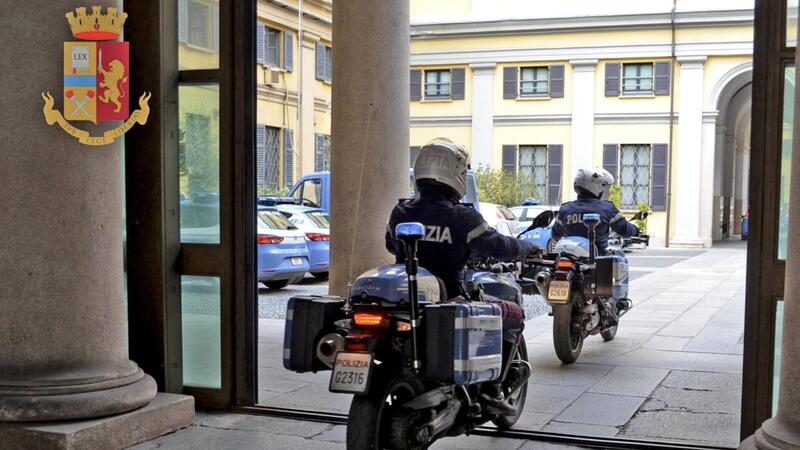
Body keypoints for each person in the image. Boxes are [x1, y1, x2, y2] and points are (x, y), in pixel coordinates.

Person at [385, 138, 539, 413]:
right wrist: (528, 246)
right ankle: (493, 389)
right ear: (456, 176)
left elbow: (389, 244)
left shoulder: (400, 211)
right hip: (450, 295)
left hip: (407, 299)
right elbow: (502, 247)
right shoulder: (461, 217)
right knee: (513, 312)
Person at [552, 168, 639, 255]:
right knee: (620, 257)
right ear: (595, 186)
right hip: (597, 259)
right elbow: (624, 230)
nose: (602, 190)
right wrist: (636, 230)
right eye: (602, 186)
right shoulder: (607, 208)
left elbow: (555, 234)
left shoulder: (565, 209)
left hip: (571, 258)